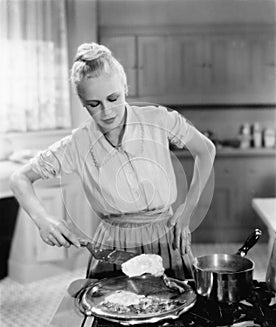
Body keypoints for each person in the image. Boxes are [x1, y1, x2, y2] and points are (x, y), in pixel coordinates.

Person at [10, 42, 216, 280]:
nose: (106, 112)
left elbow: (206, 150)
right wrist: (43, 219)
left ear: (125, 88)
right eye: (94, 104)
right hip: (111, 246)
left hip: (165, 235)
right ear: (82, 102)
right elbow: (19, 178)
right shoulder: (77, 143)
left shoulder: (158, 119)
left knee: (176, 306)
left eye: (113, 98)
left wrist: (188, 210)